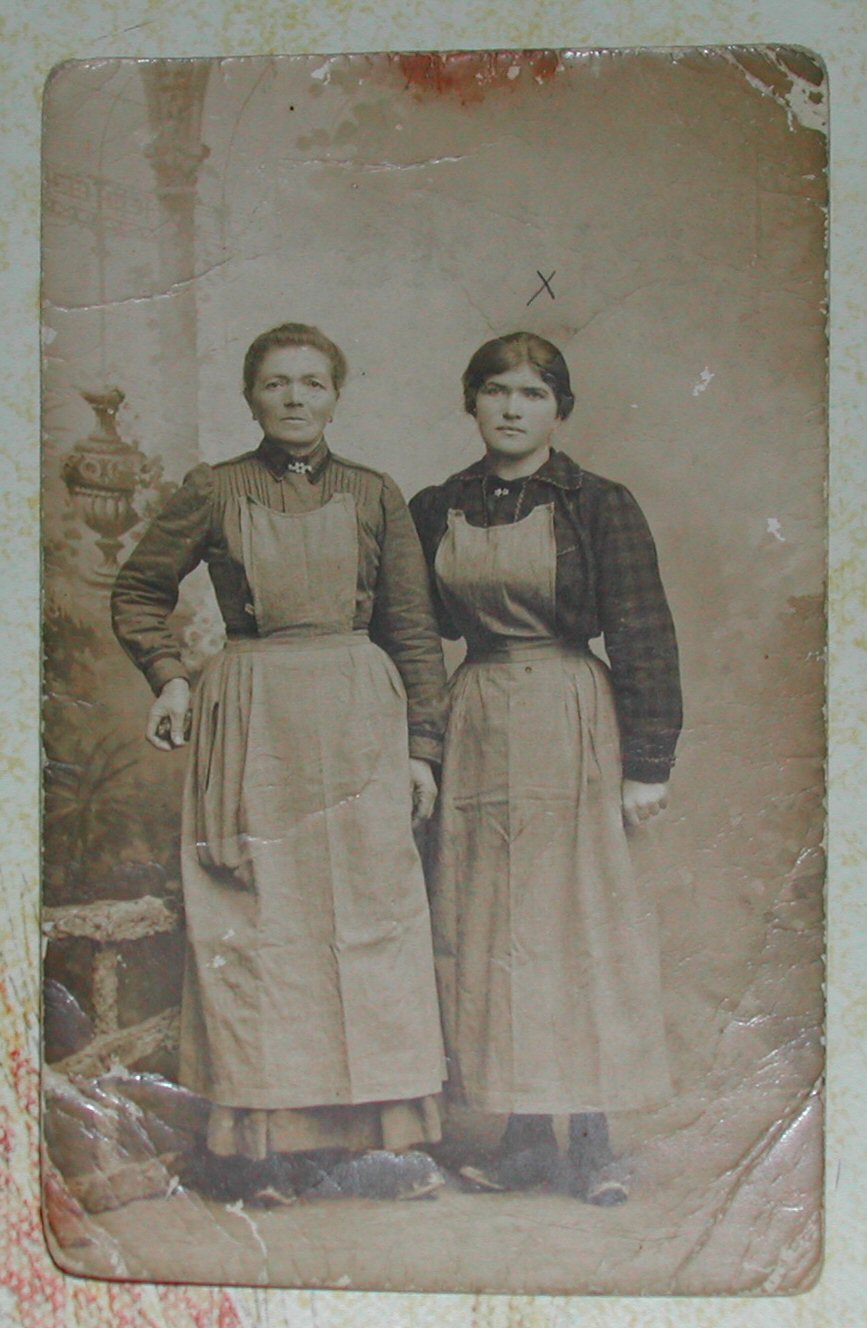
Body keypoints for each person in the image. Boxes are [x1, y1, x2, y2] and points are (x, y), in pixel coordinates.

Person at [112, 322, 449, 1204]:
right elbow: (140, 590)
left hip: (359, 723)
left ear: (336, 395)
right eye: (275, 383)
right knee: (257, 925)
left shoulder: (375, 494)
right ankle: (258, 1149)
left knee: (370, 921)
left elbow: (412, 631)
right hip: (253, 720)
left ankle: (374, 1141)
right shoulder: (213, 488)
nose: (294, 398)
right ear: (250, 396)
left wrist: (421, 751)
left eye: (311, 383)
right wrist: (170, 676)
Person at [410, 332, 682, 1204]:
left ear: (559, 409)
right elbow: (410, 632)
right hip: (477, 718)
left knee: (577, 924)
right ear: (471, 402)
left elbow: (642, 630)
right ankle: (524, 1138)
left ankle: (591, 1143)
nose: (511, 409)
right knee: (494, 928)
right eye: (495, 391)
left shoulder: (598, 504)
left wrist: (647, 763)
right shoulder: (437, 506)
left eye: (531, 394)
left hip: (571, 718)